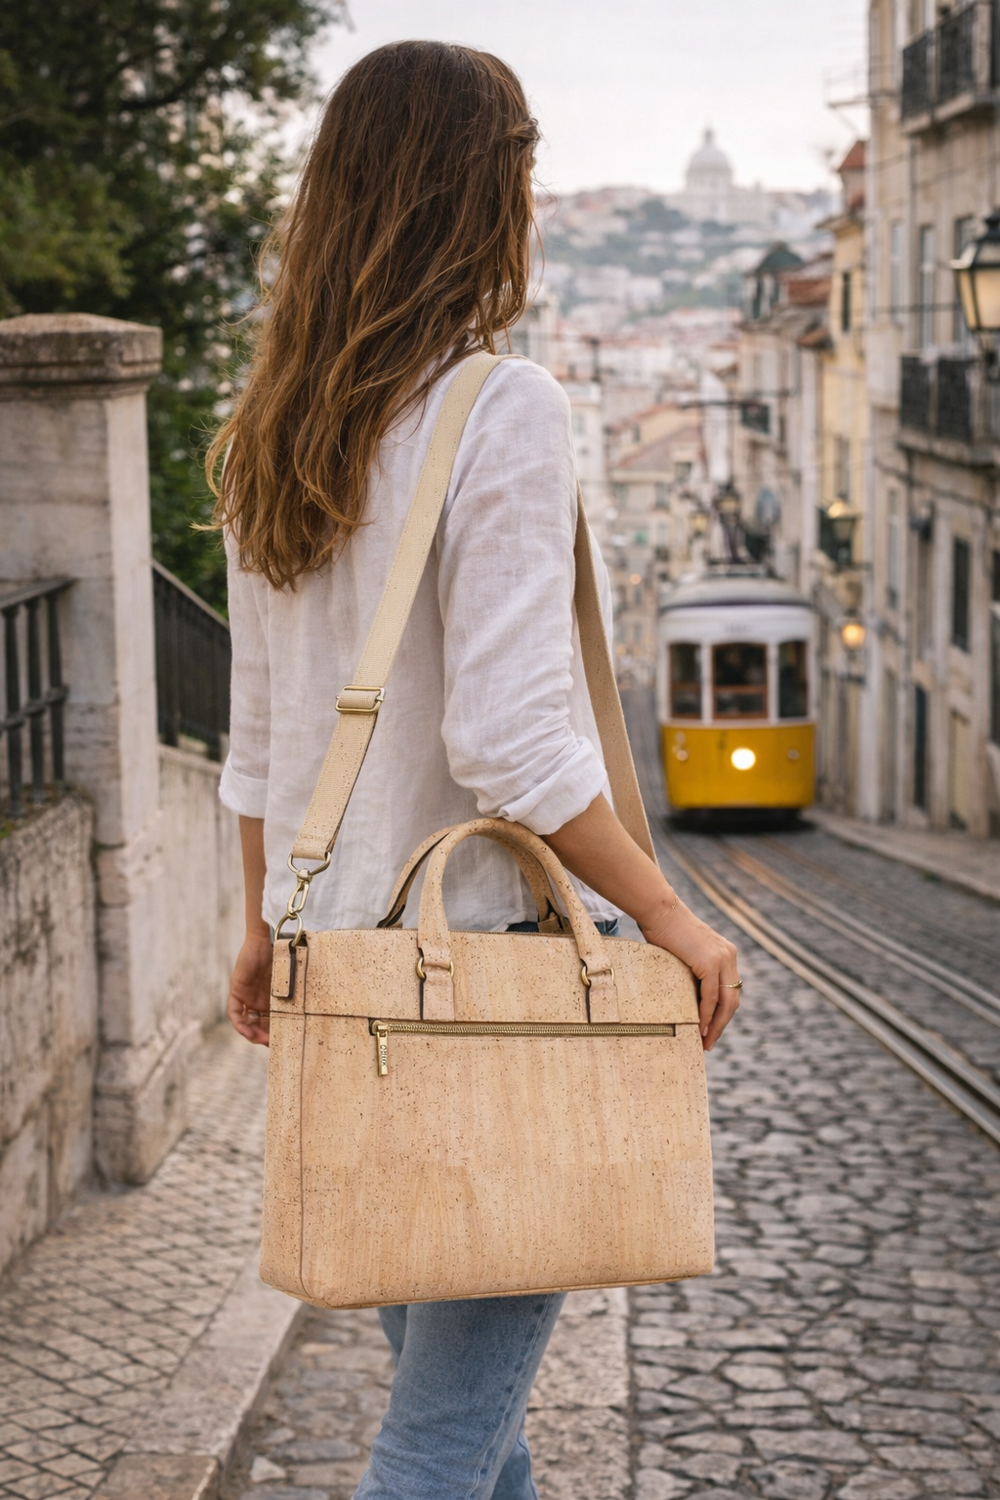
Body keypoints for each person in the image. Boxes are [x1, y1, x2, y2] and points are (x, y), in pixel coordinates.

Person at [210, 40, 740, 1500]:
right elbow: (509, 738)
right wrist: (675, 921)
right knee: (441, 1439)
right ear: (483, 193)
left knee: (465, 1416)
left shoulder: (272, 432)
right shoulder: (499, 409)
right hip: (491, 977)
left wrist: (261, 925)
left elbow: (259, 743)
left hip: (347, 972)